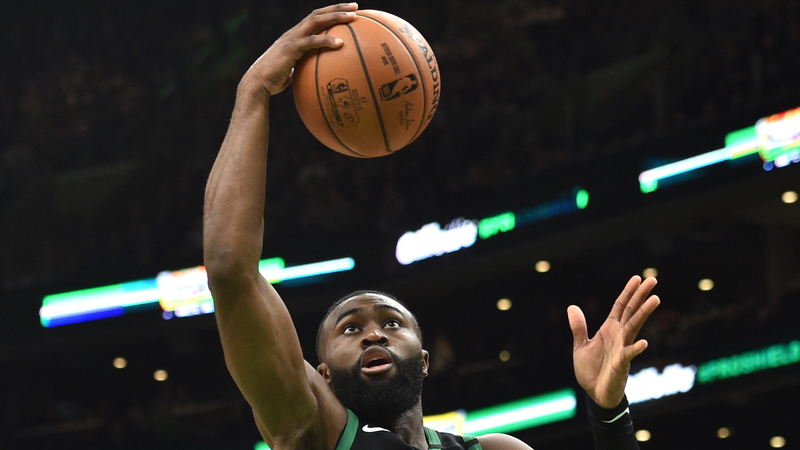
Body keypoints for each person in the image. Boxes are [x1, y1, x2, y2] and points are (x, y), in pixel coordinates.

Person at [202, 4, 661, 449]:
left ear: (423, 361)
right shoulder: (312, 431)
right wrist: (254, 92)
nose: (374, 334)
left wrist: (610, 414)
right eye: (349, 329)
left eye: (391, 323)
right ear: (322, 374)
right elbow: (229, 269)